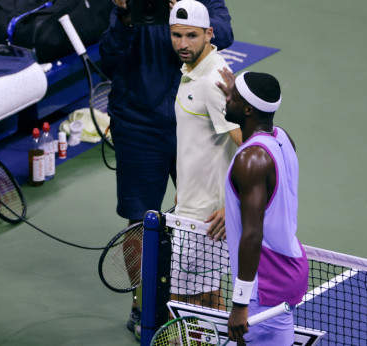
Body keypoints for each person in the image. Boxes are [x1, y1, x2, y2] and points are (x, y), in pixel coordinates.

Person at [98, 0, 234, 339]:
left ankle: (207, 311)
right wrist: (127, 16)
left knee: (204, 220)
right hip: (139, 126)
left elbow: (225, 32)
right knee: (140, 220)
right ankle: (141, 305)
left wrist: (183, 10)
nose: (183, 41)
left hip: (194, 123)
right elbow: (109, 57)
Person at [217, 69, 309, 345]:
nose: (226, 100)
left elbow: (252, 233)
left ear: (247, 109)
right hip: (287, 265)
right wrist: (239, 94)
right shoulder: (283, 138)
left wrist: (240, 303)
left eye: (232, 98)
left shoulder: (251, 160)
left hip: (265, 281)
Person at [168, 0, 241, 311]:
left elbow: (253, 147)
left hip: (205, 219)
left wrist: (231, 202)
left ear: (209, 33)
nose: (183, 44)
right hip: (192, 208)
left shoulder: (213, 82)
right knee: (208, 300)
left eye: (192, 36)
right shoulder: (193, 70)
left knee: (183, 304)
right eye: (176, 35)